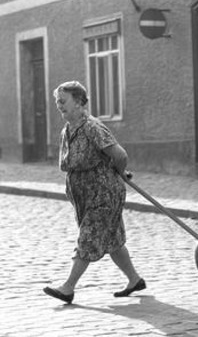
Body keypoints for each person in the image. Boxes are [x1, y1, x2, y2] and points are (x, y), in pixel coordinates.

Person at [43, 81, 145, 304]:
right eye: (57, 102)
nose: (59, 106)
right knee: (113, 240)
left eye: (63, 101)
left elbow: (120, 155)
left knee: (88, 237)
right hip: (84, 196)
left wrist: (120, 172)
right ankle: (134, 280)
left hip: (104, 194)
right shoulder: (68, 129)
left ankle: (68, 288)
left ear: (79, 102)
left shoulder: (92, 127)